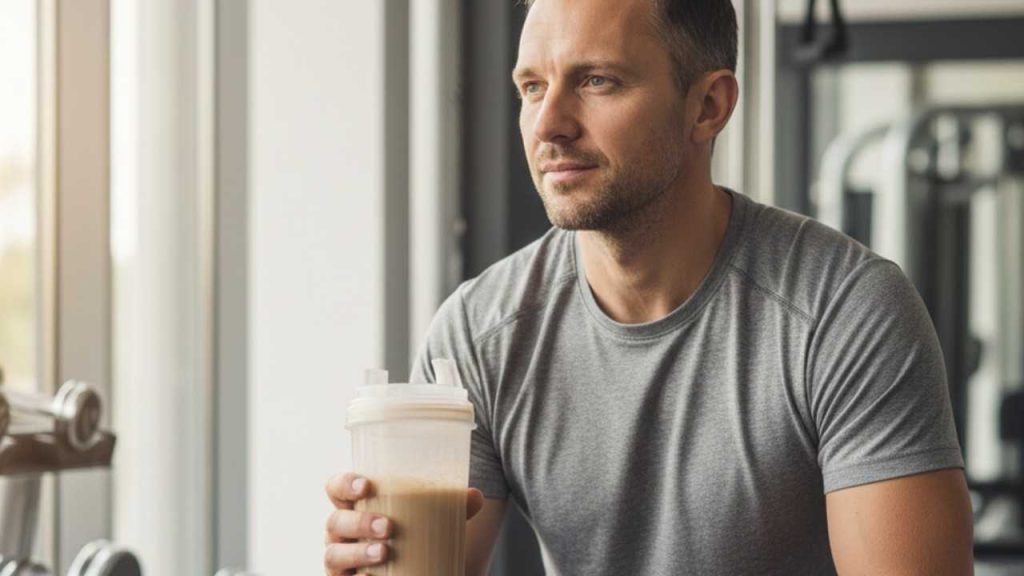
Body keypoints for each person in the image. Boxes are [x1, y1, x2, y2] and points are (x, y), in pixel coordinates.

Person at [324, 0, 975, 573]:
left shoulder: (844, 314)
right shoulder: (480, 334)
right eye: (531, 87)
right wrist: (369, 558)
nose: (548, 124)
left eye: (597, 81)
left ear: (708, 106)